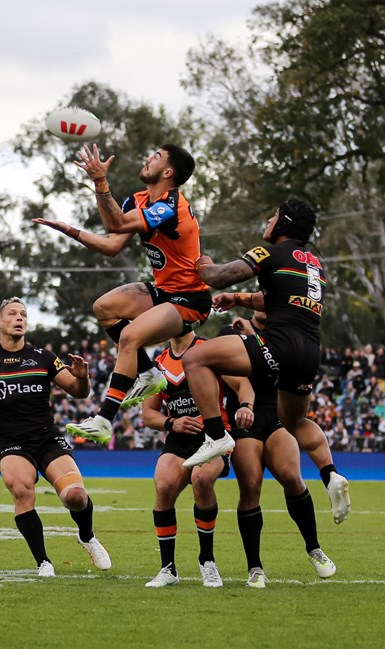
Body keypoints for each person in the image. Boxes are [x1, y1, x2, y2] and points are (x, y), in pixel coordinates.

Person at [33, 143, 211, 444]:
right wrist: (70, 230)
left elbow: (114, 222)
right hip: (164, 291)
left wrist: (100, 182)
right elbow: (112, 245)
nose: (148, 157)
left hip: (191, 298)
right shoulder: (139, 199)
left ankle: (104, 419)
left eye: (155, 156)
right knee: (104, 307)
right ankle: (149, 373)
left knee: (130, 337)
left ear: (168, 172)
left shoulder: (170, 206)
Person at [0, 297, 111, 577]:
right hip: (11, 443)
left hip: (47, 438)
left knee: (76, 498)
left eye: (23, 314)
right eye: (13, 314)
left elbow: (79, 391)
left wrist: (82, 378)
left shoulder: (44, 357)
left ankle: (87, 536)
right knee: (22, 491)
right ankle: (44, 562)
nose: (20, 318)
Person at [178, 199, 327, 468]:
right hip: (310, 353)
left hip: (280, 344)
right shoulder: (313, 264)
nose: (269, 221)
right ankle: (331, 474)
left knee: (194, 358)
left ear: (284, 223)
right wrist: (238, 299)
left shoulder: (272, 252)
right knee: (294, 422)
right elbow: (278, 300)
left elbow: (219, 276)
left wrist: (203, 264)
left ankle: (215, 436)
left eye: (274, 216)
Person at [221, 314, 341, 588]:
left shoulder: (286, 332)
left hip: (278, 417)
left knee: (292, 477)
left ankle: (315, 549)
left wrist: (255, 336)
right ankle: (255, 568)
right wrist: (245, 403)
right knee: (250, 487)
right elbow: (232, 371)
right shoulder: (230, 329)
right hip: (244, 416)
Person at [140, 329, 253, 588]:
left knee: (202, 479)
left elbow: (242, 384)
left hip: (213, 436)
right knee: (164, 483)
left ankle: (207, 561)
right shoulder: (158, 363)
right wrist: (172, 422)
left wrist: (246, 406)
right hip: (179, 438)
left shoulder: (209, 350)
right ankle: (168, 569)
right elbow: (148, 414)